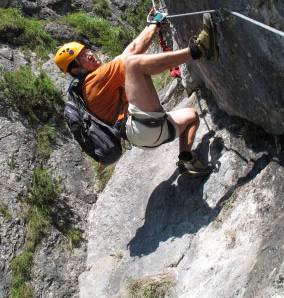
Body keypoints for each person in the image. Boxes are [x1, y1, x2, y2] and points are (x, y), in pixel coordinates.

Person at [54, 13, 219, 176]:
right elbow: (131, 53)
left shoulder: (92, 83)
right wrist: (154, 24)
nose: (89, 55)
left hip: (146, 136)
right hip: (139, 127)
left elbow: (126, 51)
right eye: (82, 57)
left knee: (192, 116)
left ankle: (186, 159)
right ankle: (200, 50)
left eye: (86, 51)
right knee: (133, 64)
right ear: (76, 70)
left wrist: (152, 25)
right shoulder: (93, 81)